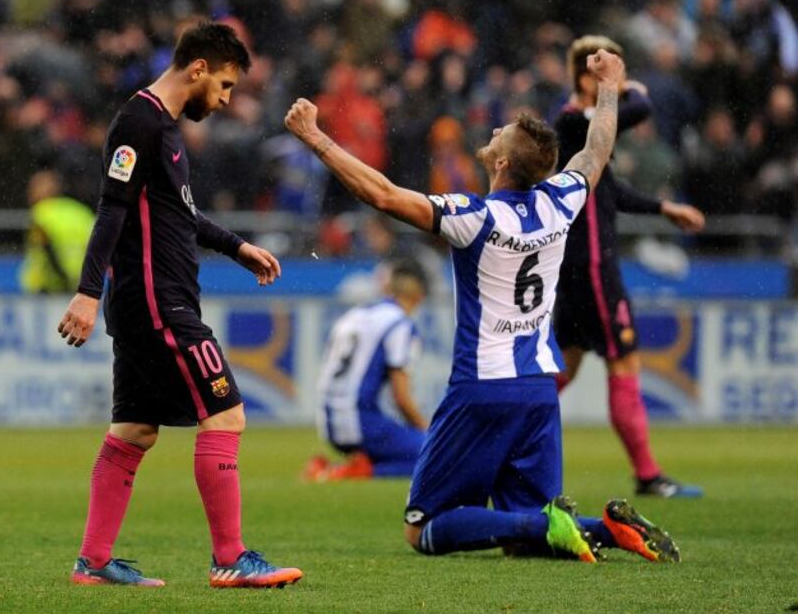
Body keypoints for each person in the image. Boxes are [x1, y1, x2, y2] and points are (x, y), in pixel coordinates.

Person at [285, 49, 680, 563]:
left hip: (483, 386)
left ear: (500, 163)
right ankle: (605, 528)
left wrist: (316, 138)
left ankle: (551, 524)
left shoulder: (474, 217)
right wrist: (610, 87)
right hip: (539, 387)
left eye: (500, 134)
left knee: (424, 528)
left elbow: (381, 194)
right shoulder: (561, 201)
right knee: (523, 542)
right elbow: (596, 152)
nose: (493, 132)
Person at [57, 22, 302, 589]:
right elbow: (111, 209)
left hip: (148, 302)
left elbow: (179, 214)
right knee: (226, 413)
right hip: (157, 301)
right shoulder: (139, 121)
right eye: (224, 84)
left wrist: (237, 247)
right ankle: (231, 558)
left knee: (134, 430)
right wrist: (88, 291)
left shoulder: (160, 128)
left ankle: (93, 561)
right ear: (197, 69)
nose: (224, 99)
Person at [554, 36, 706, 498]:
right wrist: (625, 86)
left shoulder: (581, 129)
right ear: (586, 78)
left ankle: (494, 440)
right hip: (595, 269)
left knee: (562, 367)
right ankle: (647, 475)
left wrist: (664, 208)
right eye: (605, 70)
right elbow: (640, 108)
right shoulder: (573, 121)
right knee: (624, 363)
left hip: (574, 268)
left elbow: (610, 193)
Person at [306, 259, 429, 481]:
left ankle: (337, 467)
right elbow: (401, 397)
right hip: (360, 421)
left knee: (411, 448)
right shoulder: (400, 323)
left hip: (328, 420)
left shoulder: (357, 313)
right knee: (437, 455)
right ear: (420, 295)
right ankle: (349, 473)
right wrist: (427, 432)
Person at [19, 170, 94, 294]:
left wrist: (62, 277)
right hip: (81, 287)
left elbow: (46, 248)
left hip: (48, 287)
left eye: (33, 188)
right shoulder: (81, 212)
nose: (29, 193)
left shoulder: (40, 214)